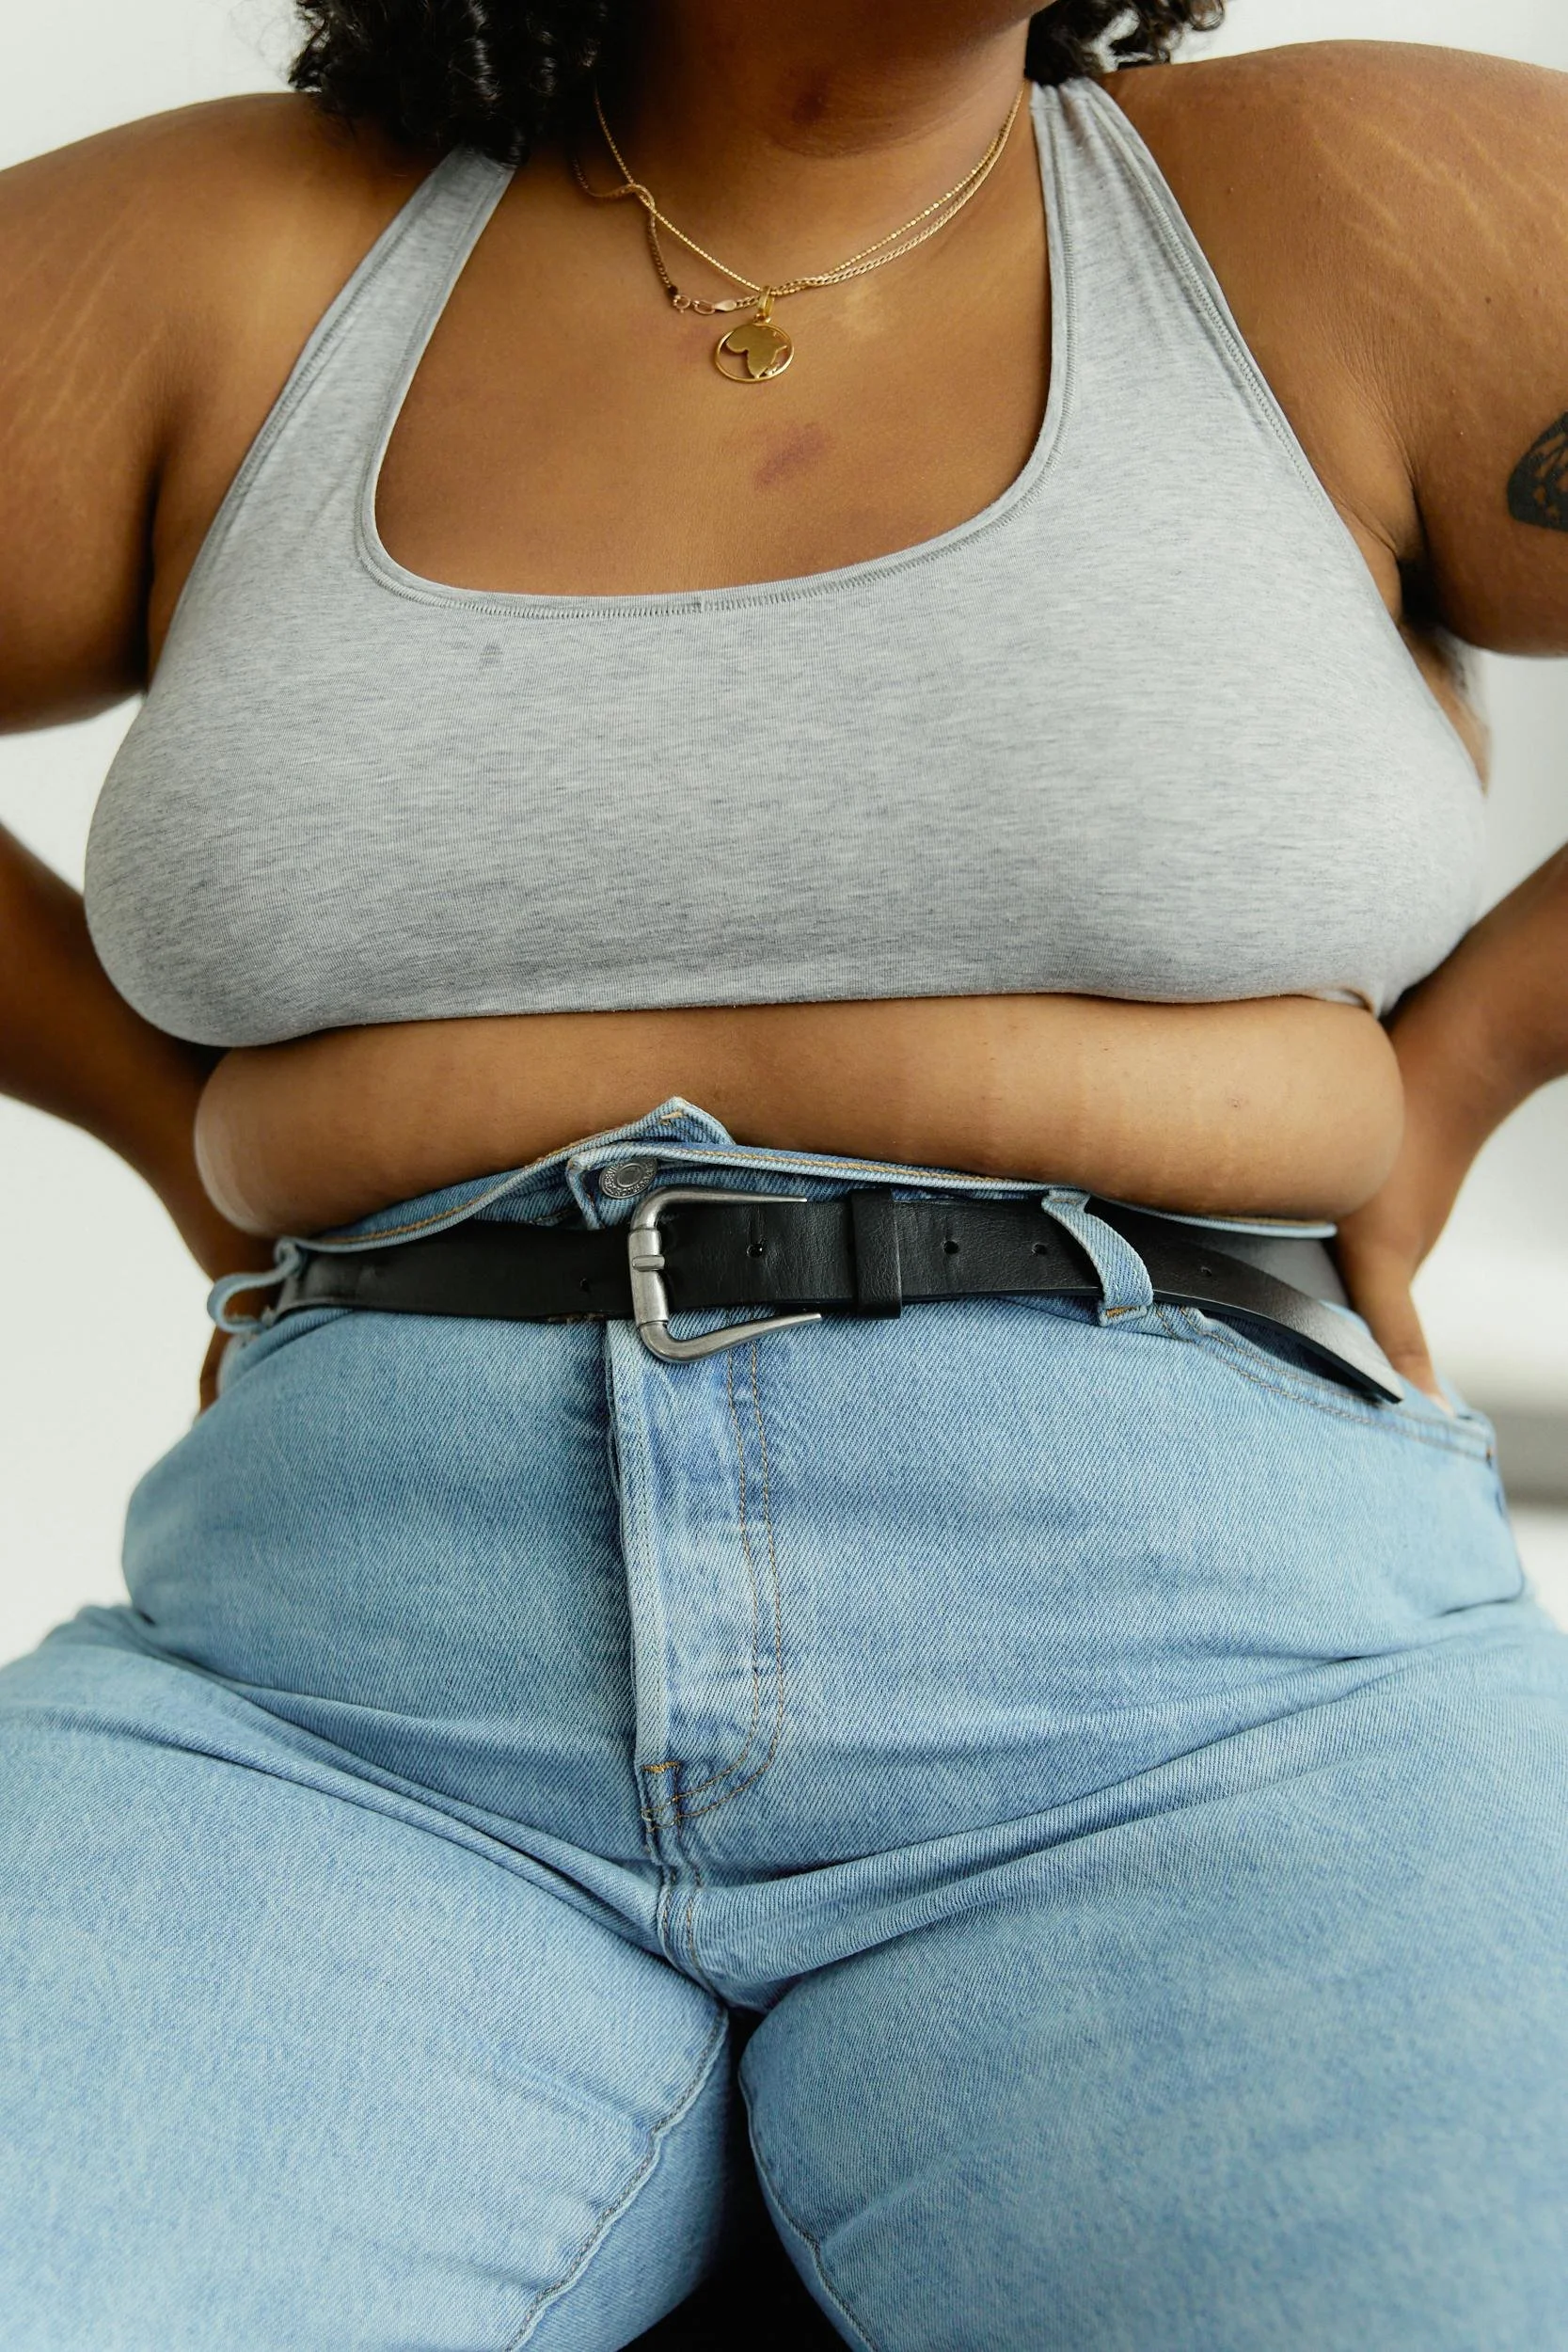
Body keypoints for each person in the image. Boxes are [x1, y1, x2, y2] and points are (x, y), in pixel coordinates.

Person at [1, 3, 1565, 2344]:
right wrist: (168, 1126)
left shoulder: (1351, 199)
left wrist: (1448, 1080)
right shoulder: (223, 249)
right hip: (327, 1698)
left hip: (1223, 1684)